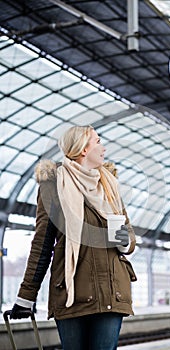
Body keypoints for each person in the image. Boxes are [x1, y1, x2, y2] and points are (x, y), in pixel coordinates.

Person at [10, 125, 137, 350]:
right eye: (98, 141)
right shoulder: (54, 185)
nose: (103, 148)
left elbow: (129, 234)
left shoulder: (110, 186)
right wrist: (26, 296)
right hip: (71, 292)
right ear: (82, 149)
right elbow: (43, 242)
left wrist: (125, 241)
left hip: (111, 291)